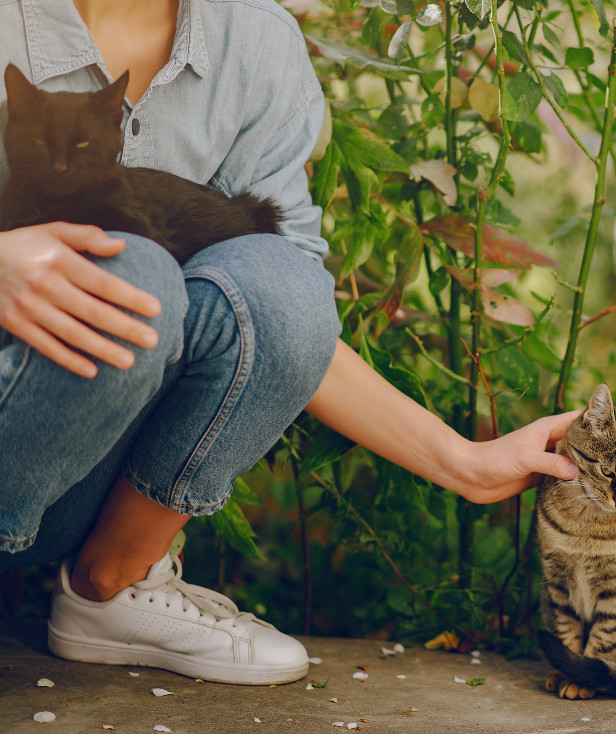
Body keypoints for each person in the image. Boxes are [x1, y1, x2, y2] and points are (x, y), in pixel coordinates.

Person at [0, 0, 579, 685]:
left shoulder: (252, 38)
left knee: (278, 277)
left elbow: (282, 321)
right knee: (133, 267)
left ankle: (114, 584)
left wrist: (465, 463)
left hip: (82, 484)